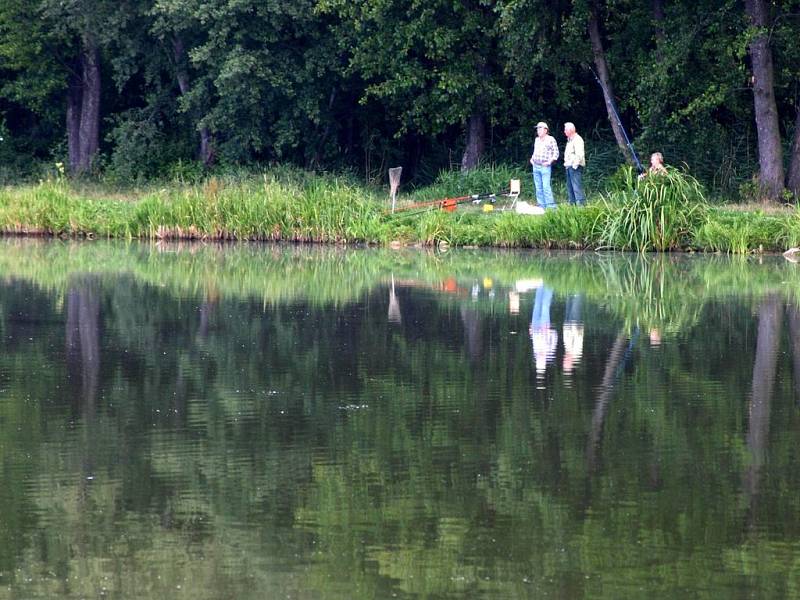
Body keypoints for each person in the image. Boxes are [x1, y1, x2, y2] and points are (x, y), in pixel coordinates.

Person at [529, 122, 559, 210]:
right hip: (535, 165)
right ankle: (541, 206)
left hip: (545, 166)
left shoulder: (551, 139)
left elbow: (556, 153)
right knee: (538, 187)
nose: (538, 130)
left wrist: (549, 162)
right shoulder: (537, 140)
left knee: (546, 187)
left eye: (540, 128)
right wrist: (532, 159)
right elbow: (535, 152)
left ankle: (551, 207)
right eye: (537, 128)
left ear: (546, 130)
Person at [562, 122, 586, 206]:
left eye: (565, 129)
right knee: (570, 187)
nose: (564, 131)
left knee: (576, 187)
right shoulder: (569, 140)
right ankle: (572, 206)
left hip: (575, 167)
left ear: (571, 130)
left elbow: (579, 154)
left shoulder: (577, 139)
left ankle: (581, 206)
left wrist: (574, 166)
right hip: (569, 166)